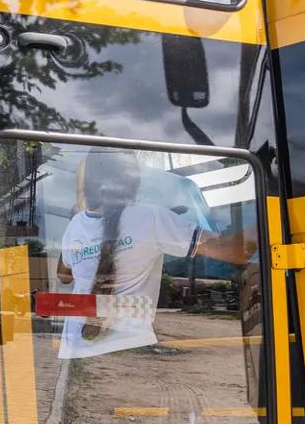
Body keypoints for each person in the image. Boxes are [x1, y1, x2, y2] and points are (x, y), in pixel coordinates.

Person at [55, 149, 254, 359]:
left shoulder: (76, 225)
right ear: (131, 179)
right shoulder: (150, 217)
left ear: (89, 183)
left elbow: (64, 276)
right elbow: (236, 251)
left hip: (75, 351)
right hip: (126, 352)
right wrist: (267, 217)